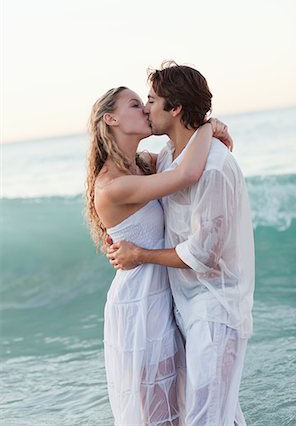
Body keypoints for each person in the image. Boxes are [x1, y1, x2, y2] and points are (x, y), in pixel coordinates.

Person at [107, 62, 255, 426]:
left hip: (215, 308)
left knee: (206, 417)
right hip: (183, 305)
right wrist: (209, 126)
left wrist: (139, 254)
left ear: (174, 109)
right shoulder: (171, 158)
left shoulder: (215, 167)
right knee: (216, 413)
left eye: (153, 101)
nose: (147, 108)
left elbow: (203, 254)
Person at [85, 85, 232, 426]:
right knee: (157, 415)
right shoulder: (112, 185)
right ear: (112, 119)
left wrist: (207, 135)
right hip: (139, 306)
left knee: (180, 406)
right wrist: (208, 126)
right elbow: (186, 174)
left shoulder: (143, 165)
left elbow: (182, 159)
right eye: (135, 105)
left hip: (165, 298)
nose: (146, 110)